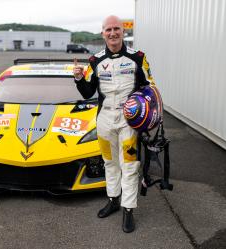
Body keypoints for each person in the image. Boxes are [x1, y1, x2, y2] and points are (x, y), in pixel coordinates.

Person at [73, 15, 155, 233]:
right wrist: (79, 78)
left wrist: (148, 117)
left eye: (116, 29)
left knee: (129, 165)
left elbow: (150, 88)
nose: (113, 33)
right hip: (105, 119)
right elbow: (87, 92)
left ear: (123, 31)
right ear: (102, 33)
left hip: (129, 121)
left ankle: (128, 209)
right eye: (108, 29)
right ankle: (113, 200)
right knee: (109, 163)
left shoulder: (138, 58)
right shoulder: (95, 61)